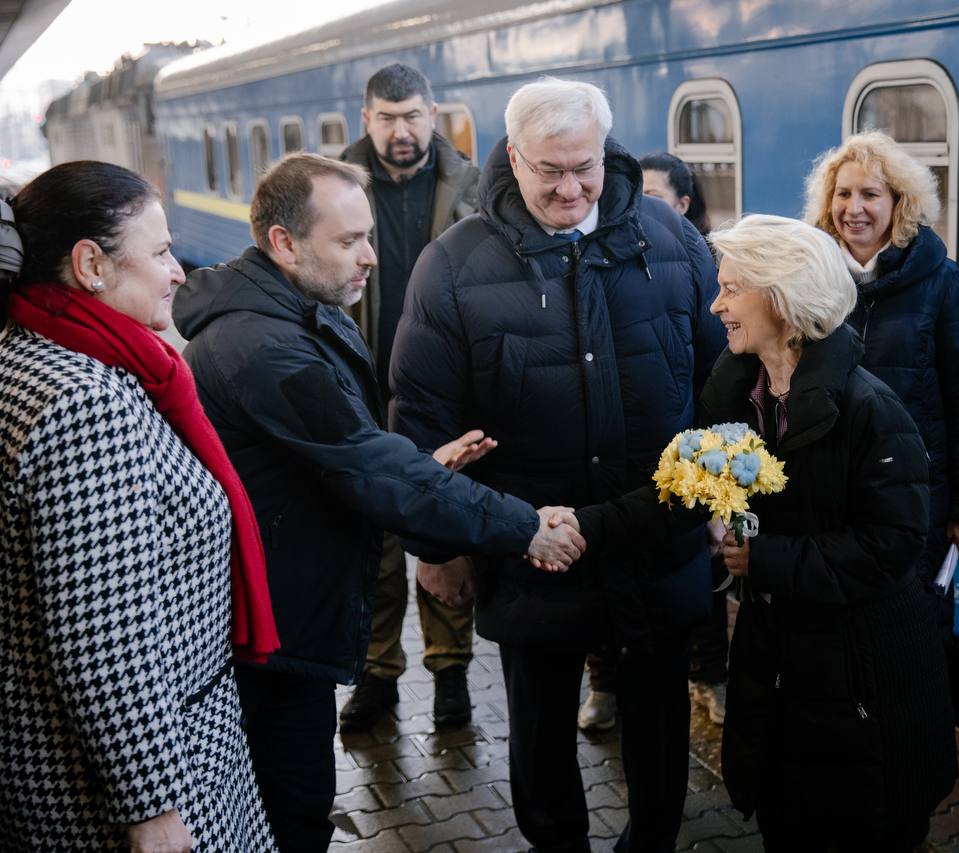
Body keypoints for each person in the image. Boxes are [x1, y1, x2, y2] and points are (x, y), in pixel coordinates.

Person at [171, 153, 585, 852]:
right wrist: (522, 527)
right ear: (284, 243)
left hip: (282, 609)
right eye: (349, 240)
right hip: (272, 630)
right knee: (294, 808)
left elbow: (345, 454)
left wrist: (416, 469)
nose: (370, 256)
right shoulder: (265, 346)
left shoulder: (290, 310)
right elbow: (366, 465)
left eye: (368, 235)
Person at [388, 78, 726, 853]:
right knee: (539, 736)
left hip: (657, 540)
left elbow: (722, 384)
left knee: (659, 731)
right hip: (530, 550)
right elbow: (421, 418)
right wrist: (436, 549)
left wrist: (718, 498)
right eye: (550, 171)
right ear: (514, 157)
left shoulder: (671, 243)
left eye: (585, 167)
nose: (570, 187)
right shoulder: (452, 267)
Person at [573, 214, 957, 852]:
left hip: (861, 673)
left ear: (782, 295)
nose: (715, 303)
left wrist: (765, 558)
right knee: (787, 817)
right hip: (778, 659)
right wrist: (574, 528)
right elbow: (676, 489)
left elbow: (891, 548)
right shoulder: (735, 390)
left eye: (731, 288)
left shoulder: (870, 410)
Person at [0, 161, 276, 850]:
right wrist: (153, 806)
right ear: (90, 264)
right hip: (140, 777)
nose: (178, 270)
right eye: (158, 252)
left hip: (68, 758)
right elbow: (103, 637)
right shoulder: (89, 402)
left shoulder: (30, 353)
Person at [337, 62, 484, 734]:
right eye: (388, 118)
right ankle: (377, 677)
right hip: (361, 388)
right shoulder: (333, 186)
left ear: (433, 114)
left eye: (413, 116)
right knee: (372, 541)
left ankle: (451, 674)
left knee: (442, 524)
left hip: (440, 387)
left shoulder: (470, 186)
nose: (402, 131)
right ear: (366, 119)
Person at [804, 130, 959, 632]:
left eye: (870, 194)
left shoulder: (943, 282)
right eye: (843, 193)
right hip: (832, 495)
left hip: (916, 500)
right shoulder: (811, 279)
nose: (854, 208)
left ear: (899, 203)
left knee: (913, 635)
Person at [577, 151, 726, 733]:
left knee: (692, 592)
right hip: (614, 476)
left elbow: (713, 375)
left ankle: (708, 675)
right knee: (605, 585)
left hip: (680, 474)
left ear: (682, 207)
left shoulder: (693, 261)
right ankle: (604, 685)